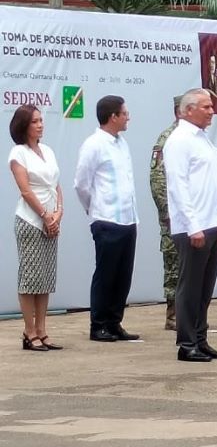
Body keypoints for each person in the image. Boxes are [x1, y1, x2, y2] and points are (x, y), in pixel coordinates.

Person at [164, 88, 217, 362]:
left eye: (211, 106)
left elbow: (211, 185)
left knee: (205, 288)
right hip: (192, 226)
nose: (211, 111)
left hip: (210, 223)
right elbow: (179, 187)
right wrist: (193, 225)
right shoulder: (180, 140)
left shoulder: (203, 139)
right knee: (190, 287)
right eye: (205, 107)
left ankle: (200, 338)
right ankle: (186, 343)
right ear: (188, 110)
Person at [74, 95, 140, 342]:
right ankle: (98, 324)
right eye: (124, 113)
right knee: (106, 274)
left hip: (128, 218)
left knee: (123, 274)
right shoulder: (93, 144)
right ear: (113, 117)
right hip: (106, 218)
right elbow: (81, 184)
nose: (128, 117)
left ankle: (114, 322)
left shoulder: (122, 143)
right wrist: (95, 209)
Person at [8, 105, 63, 351]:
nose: (40, 125)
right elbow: (26, 190)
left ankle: (42, 329)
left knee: (45, 277)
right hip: (31, 220)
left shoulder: (48, 151)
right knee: (30, 277)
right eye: (35, 122)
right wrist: (44, 215)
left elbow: (56, 185)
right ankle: (29, 332)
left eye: (41, 120)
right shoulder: (18, 153)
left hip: (51, 219)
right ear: (23, 126)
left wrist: (58, 212)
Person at [150, 95, 181, 330]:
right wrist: (167, 214)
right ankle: (173, 315)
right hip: (174, 217)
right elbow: (158, 179)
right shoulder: (168, 137)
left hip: (194, 217)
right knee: (174, 265)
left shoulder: (197, 139)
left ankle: (190, 313)